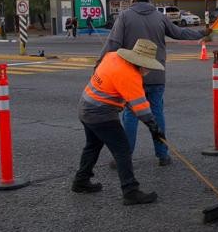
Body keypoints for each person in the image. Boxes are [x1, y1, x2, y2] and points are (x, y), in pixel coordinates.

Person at [99, 0, 210, 167]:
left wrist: (100, 63)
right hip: (156, 73)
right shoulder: (160, 17)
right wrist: (201, 33)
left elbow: (113, 43)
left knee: (131, 115)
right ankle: (163, 155)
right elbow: (179, 33)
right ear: (148, 0)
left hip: (132, 76)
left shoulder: (125, 16)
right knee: (157, 115)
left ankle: (125, 156)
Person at [70, 39, 164, 205]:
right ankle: (130, 191)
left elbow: (121, 92)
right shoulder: (130, 75)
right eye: (147, 66)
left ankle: (81, 181)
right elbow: (141, 108)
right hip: (100, 113)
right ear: (139, 63)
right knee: (122, 149)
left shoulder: (113, 56)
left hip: (85, 105)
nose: (148, 69)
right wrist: (154, 127)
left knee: (93, 145)